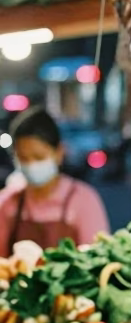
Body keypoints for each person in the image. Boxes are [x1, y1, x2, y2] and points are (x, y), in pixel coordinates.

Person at [0, 107, 110, 255]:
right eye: (24, 158)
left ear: (59, 152)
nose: (31, 164)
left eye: (39, 157)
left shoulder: (83, 200)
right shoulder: (8, 202)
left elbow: (98, 258)